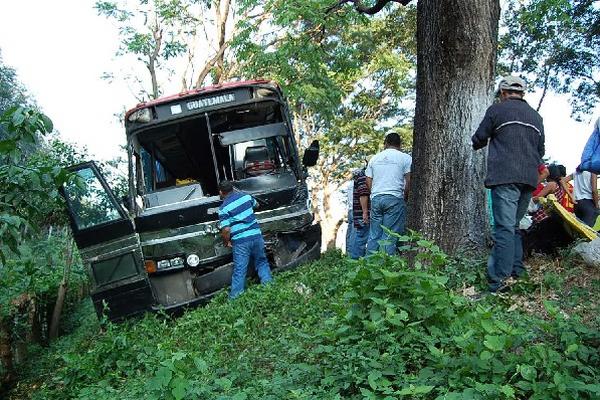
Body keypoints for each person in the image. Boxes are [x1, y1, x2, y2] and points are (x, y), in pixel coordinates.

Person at [472, 75, 545, 293]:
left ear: (503, 93)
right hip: (529, 178)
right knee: (513, 227)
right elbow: (541, 151)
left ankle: (499, 283)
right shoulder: (536, 116)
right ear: (522, 94)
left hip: (505, 176)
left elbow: (478, 139)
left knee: (503, 228)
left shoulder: (497, 110)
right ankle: (517, 272)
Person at [218, 180, 272, 298]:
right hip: (256, 236)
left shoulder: (223, 208)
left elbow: (226, 229)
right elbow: (257, 205)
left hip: (241, 241)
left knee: (240, 269)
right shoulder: (246, 197)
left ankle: (235, 298)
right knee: (261, 262)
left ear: (221, 192)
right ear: (232, 188)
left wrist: (226, 242)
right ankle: (268, 287)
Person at [365, 132, 412, 255]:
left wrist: (374, 193)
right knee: (389, 235)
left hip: (376, 198)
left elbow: (368, 179)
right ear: (400, 144)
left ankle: (368, 266)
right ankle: (385, 267)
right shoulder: (406, 158)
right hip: (394, 198)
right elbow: (409, 180)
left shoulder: (374, 158)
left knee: (374, 235)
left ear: (385, 143)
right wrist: (405, 196)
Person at [349, 167, 370, 259]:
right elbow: (363, 194)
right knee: (360, 237)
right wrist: (365, 212)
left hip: (360, 212)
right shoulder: (363, 177)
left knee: (359, 236)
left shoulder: (361, 177)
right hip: (362, 213)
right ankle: (355, 261)